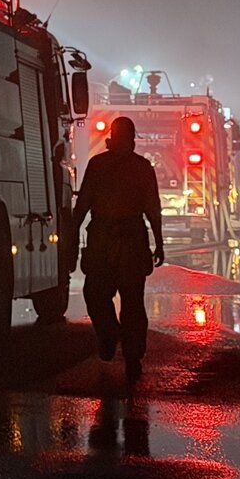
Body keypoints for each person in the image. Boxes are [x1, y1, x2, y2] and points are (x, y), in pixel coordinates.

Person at [70, 115, 165, 381]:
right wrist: (158, 242)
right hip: (133, 240)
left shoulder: (97, 165)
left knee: (96, 294)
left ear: (112, 136)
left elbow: (83, 204)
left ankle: (109, 336)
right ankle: (132, 354)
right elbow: (152, 209)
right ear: (132, 138)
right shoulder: (142, 167)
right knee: (132, 300)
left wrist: (72, 235)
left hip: (101, 238)